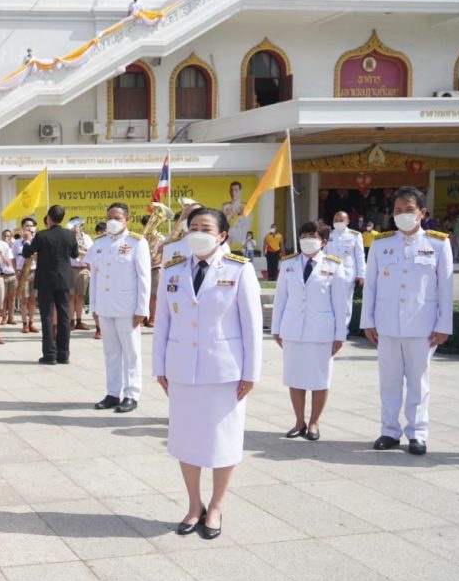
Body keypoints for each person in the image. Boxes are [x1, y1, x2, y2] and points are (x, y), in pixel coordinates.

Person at [153, 208, 261, 540]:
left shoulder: (239, 270)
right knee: (187, 441)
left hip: (223, 371)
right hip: (182, 369)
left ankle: (216, 506)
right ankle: (193, 504)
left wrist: (250, 373)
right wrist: (160, 367)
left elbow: (252, 326)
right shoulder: (173, 270)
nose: (198, 232)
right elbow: (162, 322)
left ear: (222, 236)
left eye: (206, 228)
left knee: (222, 442)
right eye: (193, 227)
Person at [361, 186, 453, 456]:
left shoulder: (438, 243)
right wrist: (368, 321)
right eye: (398, 211)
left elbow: (445, 288)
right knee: (388, 381)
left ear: (422, 213)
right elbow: (371, 287)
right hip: (387, 324)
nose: (403, 215)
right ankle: (389, 431)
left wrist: (443, 325)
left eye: (409, 210)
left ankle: (417, 433)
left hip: (422, 326)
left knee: (418, 381)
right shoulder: (381, 243)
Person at [272, 223, 352, 440]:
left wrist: (339, 335)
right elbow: (281, 299)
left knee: (320, 379)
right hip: (293, 330)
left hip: (321, 332)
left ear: (324, 241)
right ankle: (299, 421)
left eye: (313, 236)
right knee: (295, 377)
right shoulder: (288, 264)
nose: (307, 239)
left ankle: (315, 422)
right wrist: (276, 329)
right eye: (304, 235)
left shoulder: (334, 265)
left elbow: (341, 303)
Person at [86, 202, 150, 413]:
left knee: (131, 352)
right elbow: (94, 277)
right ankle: (113, 393)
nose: (113, 221)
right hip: (105, 306)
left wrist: (142, 308)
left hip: (127, 308)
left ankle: (132, 393)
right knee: (111, 352)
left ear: (127, 220)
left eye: (118, 218)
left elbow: (144, 277)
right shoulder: (99, 243)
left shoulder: (137, 243)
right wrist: (94, 306)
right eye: (110, 217)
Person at [21, 205, 78, 365]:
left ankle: (49, 354)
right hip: (64, 279)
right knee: (64, 316)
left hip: (46, 279)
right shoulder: (69, 235)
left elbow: (27, 253)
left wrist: (26, 241)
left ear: (49, 218)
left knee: (46, 316)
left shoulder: (41, 235)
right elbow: (74, 254)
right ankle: (63, 354)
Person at [326, 211, 366, 288]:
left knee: (346, 300)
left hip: (347, 275)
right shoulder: (328, 235)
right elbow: (323, 255)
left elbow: (360, 256)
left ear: (347, 221)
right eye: (335, 220)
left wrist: (361, 275)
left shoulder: (355, 235)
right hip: (330, 275)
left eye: (341, 220)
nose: (338, 222)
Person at [13, 217, 39, 333]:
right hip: (22, 273)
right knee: (24, 299)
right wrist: (15, 272)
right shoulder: (16, 243)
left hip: (35, 271)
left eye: (30, 226)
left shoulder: (37, 241)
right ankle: (24, 324)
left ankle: (32, 322)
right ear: (22, 228)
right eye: (26, 226)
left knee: (33, 300)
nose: (29, 228)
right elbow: (13, 258)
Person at [68, 218, 93, 331]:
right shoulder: (68, 237)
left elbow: (91, 252)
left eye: (78, 225)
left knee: (80, 296)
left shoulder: (86, 237)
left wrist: (90, 270)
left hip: (83, 269)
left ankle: (79, 321)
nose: (76, 227)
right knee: (71, 296)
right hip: (70, 269)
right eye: (73, 225)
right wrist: (82, 252)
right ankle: (70, 321)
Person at [0, 229, 19, 326]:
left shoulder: (14, 246)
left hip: (12, 275)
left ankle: (11, 317)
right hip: (3, 275)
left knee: (12, 298)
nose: (6, 238)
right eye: (5, 236)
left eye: (8, 236)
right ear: (2, 237)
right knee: (3, 298)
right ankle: (3, 317)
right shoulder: (0, 246)